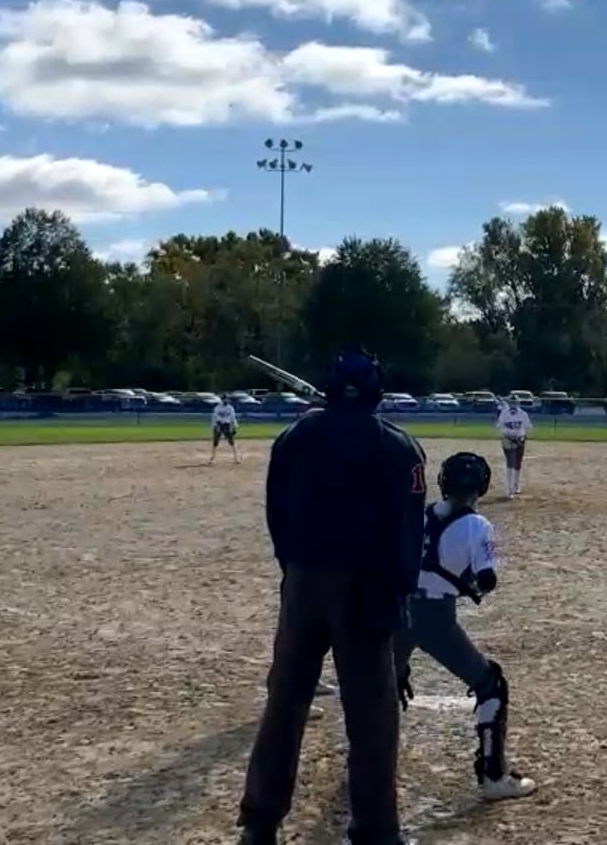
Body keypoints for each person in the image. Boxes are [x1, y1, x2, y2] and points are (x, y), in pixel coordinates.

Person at [236, 349, 426, 845]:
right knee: (371, 713)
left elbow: (276, 513)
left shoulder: (294, 438)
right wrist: (400, 592)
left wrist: (294, 569)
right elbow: (408, 534)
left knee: (286, 699)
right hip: (365, 587)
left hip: (303, 579)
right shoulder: (399, 448)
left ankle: (260, 821)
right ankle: (375, 828)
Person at [394, 452, 538, 802]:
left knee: (385, 680)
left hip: (397, 608)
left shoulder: (421, 513)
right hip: (434, 616)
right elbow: (487, 578)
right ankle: (494, 777)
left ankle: (367, 763)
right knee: (491, 684)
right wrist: (469, 579)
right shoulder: (478, 525)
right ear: (482, 487)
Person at [495, 397, 531, 499]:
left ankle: (516, 485)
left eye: (515, 402)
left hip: (519, 440)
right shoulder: (504, 414)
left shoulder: (523, 414)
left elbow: (528, 427)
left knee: (518, 464)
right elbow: (499, 427)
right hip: (508, 440)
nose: (513, 405)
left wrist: (523, 436)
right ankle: (508, 489)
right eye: (512, 403)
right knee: (510, 463)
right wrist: (507, 434)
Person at [210, 397, 240, 464]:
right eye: (225, 399)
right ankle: (212, 458)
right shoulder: (217, 407)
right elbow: (214, 417)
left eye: (227, 399)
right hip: (218, 425)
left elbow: (233, 418)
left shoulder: (230, 408)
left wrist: (235, 426)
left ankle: (236, 458)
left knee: (232, 442)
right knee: (215, 442)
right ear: (222, 400)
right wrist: (215, 426)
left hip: (227, 425)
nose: (227, 400)